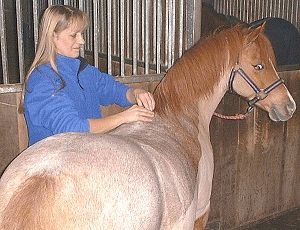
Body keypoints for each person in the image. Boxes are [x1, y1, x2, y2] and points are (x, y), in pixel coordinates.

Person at [21, 5, 155, 146]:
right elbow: (72, 128)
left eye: (81, 34)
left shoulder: (83, 70)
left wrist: (135, 93)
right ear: (53, 36)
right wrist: (123, 117)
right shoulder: (42, 80)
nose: (82, 41)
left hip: (86, 150)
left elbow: (112, 90)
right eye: (74, 35)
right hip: (55, 157)